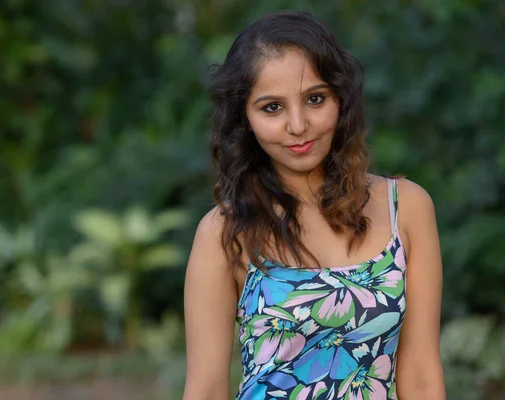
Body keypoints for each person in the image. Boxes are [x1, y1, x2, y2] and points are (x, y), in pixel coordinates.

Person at [183, 10, 445, 400]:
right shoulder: (225, 231)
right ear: (245, 118)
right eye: (272, 107)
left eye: (315, 99)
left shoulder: (405, 208)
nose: (298, 125)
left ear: (341, 100)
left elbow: (422, 373)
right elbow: (205, 388)